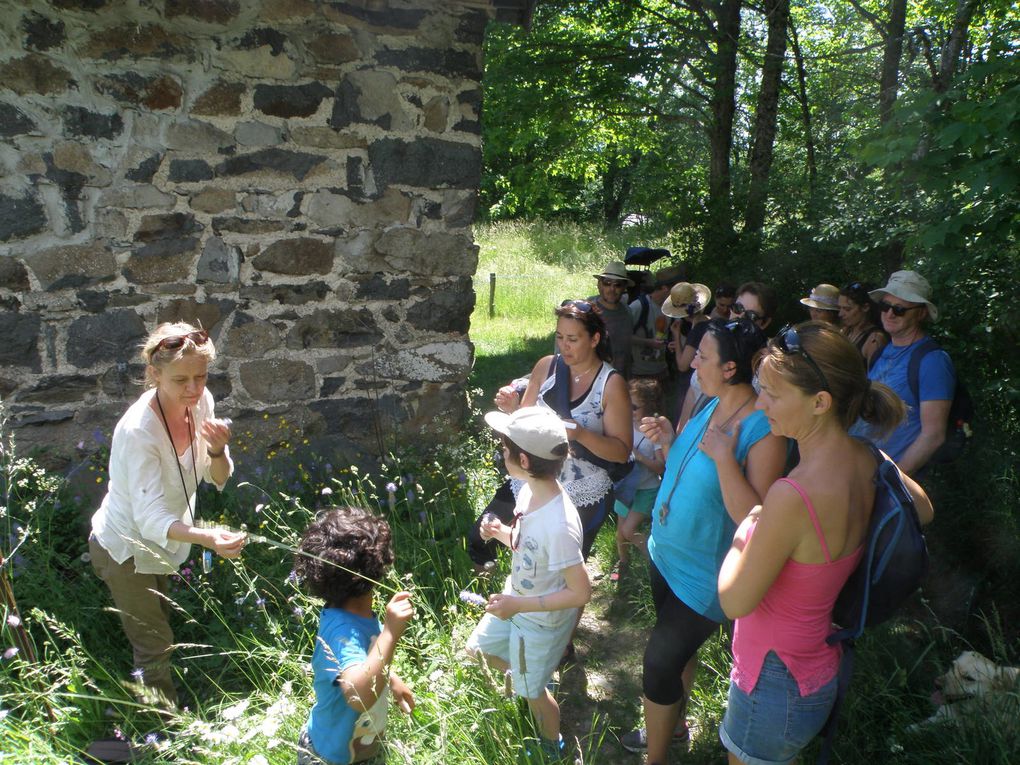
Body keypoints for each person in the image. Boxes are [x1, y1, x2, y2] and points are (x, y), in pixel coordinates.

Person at [717, 322, 933, 765]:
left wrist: (745, 531)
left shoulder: (792, 496)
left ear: (820, 402)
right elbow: (923, 509)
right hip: (817, 671)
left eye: (773, 395)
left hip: (771, 684)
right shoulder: (868, 457)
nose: (760, 404)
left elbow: (734, 600)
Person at [622, 318, 787, 764]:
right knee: (677, 656)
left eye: (703, 356)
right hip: (665, 553)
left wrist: (723, 459)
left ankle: (655, 759)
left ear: (730, 367)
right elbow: (689, 462)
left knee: (657, 662)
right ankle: (673, 726)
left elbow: (754, 519)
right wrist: (670, 440)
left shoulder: (763, 431)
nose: (693, 361)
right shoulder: (709, 403)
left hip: (704, 574)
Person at [89, 322, 246, 708]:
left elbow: (218, 477)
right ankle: (167, 733)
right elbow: (149, 520)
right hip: (124, 549)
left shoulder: (201, 401)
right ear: (154, 374)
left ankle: (162, 706)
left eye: (201, 376)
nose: (194, 388)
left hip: (165, 542)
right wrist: (208, 537)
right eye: (181, 380)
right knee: (153, 644)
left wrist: (216, 451)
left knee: (158, 622)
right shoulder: (139, 431)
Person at [466, 406, 592, 761]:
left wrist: (518, 605)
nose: (500, 454)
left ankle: (553, 745)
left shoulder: (560, 524)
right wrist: (503, 533)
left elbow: (581, 592)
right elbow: (530, 547)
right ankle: (532, 679)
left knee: (532, 691)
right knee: (477, 651)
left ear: (522, 458)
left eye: (504, 450)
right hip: (516, 598)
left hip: (538, 618)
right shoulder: (529, 491)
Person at [488, 300, 632, 563]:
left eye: (573, 339)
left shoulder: (611, 384)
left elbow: (621, 452)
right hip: (533, 480)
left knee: (562, 567)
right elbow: (525, 424)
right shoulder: (546, 366)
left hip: (581, 490)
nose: (563, 345)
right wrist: (513, 409)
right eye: (559, 337)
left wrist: (581, 435)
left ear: (594, 339)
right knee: (495, 542)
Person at [295, 507, 415, 765]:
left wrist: (391, 679)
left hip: (360, 751)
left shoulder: (355, 613)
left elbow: (365, 656)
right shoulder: (343, 632)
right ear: (377, 567)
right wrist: (391, 633)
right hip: (328, 757)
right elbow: (359, 696)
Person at [856, 270, 955, 476]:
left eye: (900, 309)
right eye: (885, 306)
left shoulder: (933, 361)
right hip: (859, 471)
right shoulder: (881, 351)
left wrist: (894, 480)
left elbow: (933, 435)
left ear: (921, 313)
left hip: (885, 482)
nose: (890, 314)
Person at [676, 281, 779, 431]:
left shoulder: (769, 367)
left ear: (765, 323)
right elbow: (692, 396)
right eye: (738, 308)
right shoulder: (711, 344)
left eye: (751, 315)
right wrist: (678, 439)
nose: (740, 317)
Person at [611, 378, 666, 582]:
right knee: (620, 534)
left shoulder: (654, 432)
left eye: (634, 406)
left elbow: (661, 467)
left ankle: (655, 563)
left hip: (646, 489)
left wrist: (639, 456)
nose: (629, 409)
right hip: (627, 486)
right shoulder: (624, 423)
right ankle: (623, 564)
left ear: (649, 407)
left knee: (628, 530)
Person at [630, 267, 683, 380]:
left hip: (662, 371)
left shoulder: (673, 309)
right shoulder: (638, 306)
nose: (680, 294)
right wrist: (648, 342)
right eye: (676, 290)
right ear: (664, 288)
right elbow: (623, 337)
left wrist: (673, 343)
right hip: (639, 374)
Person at [588, 260, 636, 377]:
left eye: (618, 285)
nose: (612, 289)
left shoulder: (627, 311)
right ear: (599, 284)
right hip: (595, 378)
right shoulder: (588, 311)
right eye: (607, 283)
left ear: (624, 287)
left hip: (622, 377)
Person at [839, 281, 888, 364]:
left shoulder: (874, 340)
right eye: (839, 308)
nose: (840, 314)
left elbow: (874, 376)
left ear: (865, 307)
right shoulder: (845, 331)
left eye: (847, 309)